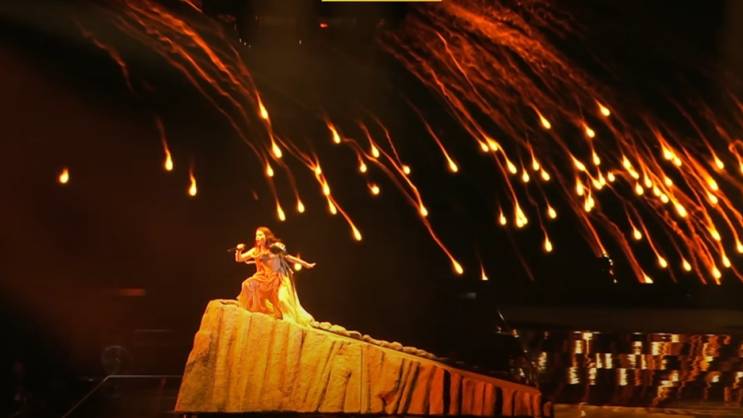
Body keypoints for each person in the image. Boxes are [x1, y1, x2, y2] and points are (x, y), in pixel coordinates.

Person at [234, 226, 316, 325]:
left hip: (279, 279)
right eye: (256, 235)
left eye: (260, 235)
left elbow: (288, 257)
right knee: (247, 284)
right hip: (264, 278)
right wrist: (238, 250)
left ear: (266, 236)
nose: (257, 237)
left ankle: (289, 322)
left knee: (282, 300)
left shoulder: (274, 248)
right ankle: (255, 310)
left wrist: (305, 264)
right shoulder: (255, 250)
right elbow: (239, 259)